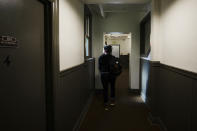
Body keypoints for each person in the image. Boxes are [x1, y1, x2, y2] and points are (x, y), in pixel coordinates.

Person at [98, 45, 118, 110]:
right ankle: (112, 101)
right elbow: (115, 67)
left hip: (104, 75)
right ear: (111, 50)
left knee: (105, 89)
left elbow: (99, 67)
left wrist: (102, 71)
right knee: (112, 87)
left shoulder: (101, 57)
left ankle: (106, 102)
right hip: (112, 75)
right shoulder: (113, 57)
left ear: (104, 50)